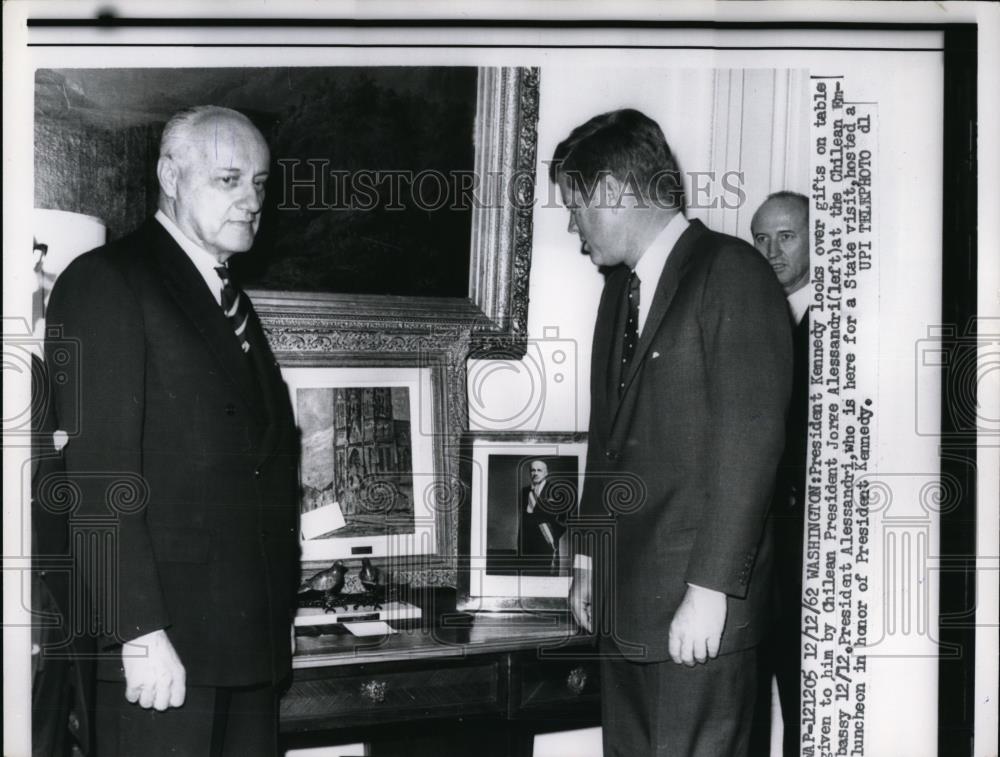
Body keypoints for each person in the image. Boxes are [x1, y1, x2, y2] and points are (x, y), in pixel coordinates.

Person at [44, 105, 300, 757]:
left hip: (245, 650)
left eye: (260, 183)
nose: (251, 199)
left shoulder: (228, 300)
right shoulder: (107, 282)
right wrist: (139, 631)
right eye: (228, 179)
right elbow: (99, 475)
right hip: (161, 653)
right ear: (169, 174)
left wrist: (276, 618)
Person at [552, 108, 792, 757]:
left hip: (696, 614)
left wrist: (710, 590)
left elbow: (750, 448)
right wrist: (586, 561)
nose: (573, 226)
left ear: (614, 192)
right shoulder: (618, 293)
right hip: (627, 613)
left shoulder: (733, 273)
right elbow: (607, 443)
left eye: (576, 206)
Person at [748, 191, 811, 757]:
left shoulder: (848, 326)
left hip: (809, 556)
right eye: (760, 239)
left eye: (786, 236)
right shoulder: (751, 318)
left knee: (803, 707)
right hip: (755, 550)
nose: (771, 251)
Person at [518, 459, 566, 576]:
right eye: (532, 470)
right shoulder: (524, 492)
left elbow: (563, 518)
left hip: (546, 542)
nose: (535, 473)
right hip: (527, 543)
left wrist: (553, 535)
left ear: (546, 473)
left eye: (539, 470)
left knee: (545, 576)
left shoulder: (555, 491)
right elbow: (523, 518)